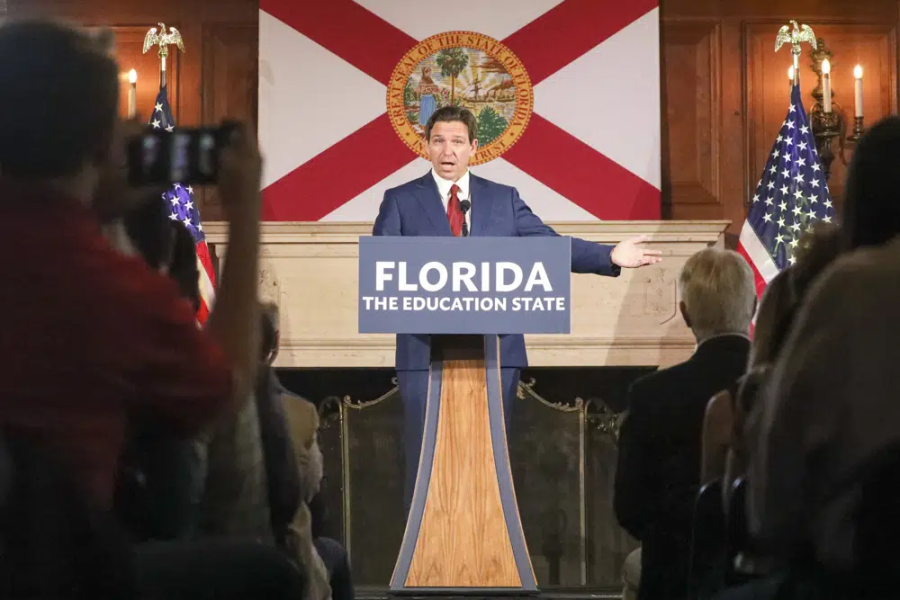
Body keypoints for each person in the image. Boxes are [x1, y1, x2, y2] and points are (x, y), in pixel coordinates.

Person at [372, 105, 662, 508]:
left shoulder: (502, 200)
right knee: (426, 466)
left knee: (491, 466)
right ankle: (421, 565)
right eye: (438, 140)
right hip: (424, 353)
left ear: (474, 147)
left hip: (496, 352)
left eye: (457, 142)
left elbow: (547, 245)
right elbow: (384, 270)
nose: (447, 151)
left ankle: (492, 565)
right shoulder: (399, 201)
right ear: (425, 146)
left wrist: (608, 255)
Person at [614, 248, 756, 600]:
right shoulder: (789, 387)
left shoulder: (650, 395)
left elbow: (630, 509)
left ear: (686, 313)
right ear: (753, 307)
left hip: (675, 578)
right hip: (763, 577)